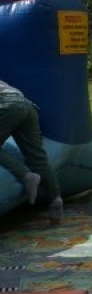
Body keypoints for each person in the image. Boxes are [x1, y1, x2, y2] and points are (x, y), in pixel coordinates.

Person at [0, 78, 62, 222]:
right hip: (26, 104)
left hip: (6, 104)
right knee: (37, 157)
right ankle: (55, 199)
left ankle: (26, 176)